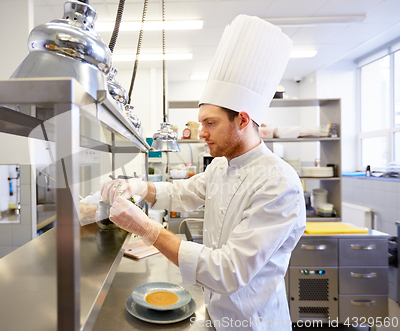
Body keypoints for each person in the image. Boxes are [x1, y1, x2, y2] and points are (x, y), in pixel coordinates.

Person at [101, 15, 306, 331]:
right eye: (201, 123)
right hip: (217, 313)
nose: (201, 133)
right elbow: (183, 193)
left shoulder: (279, 184)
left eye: (211, 123)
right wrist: (138, 187)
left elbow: (228, 271)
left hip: (254, 323)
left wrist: (145, 228)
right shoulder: (223, 165)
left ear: (242, 120)